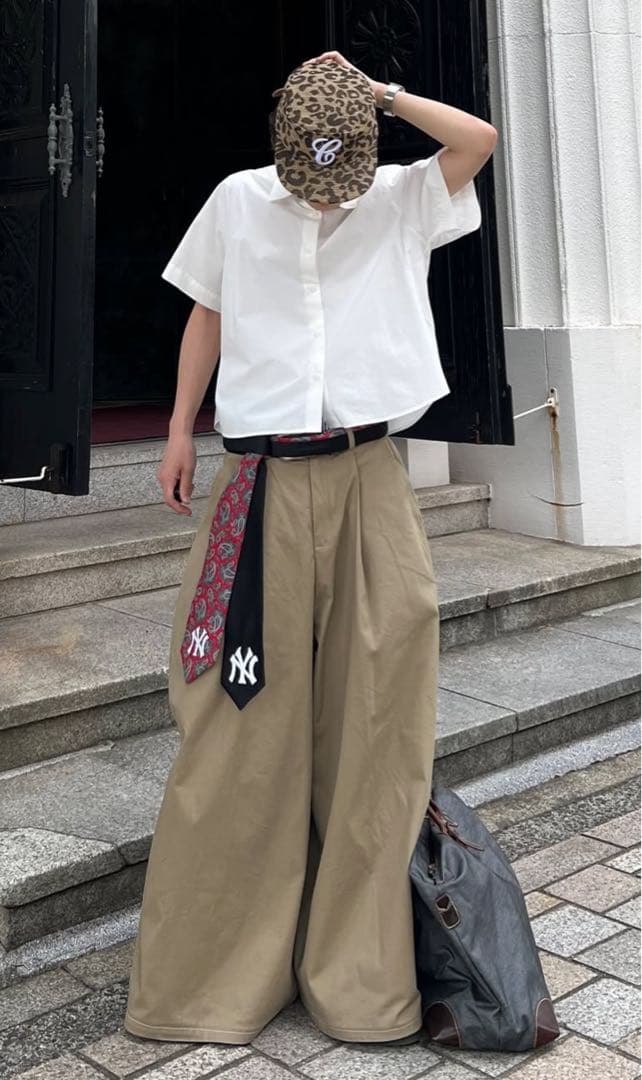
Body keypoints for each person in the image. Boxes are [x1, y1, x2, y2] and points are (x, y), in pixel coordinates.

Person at [124, 50, 496, 1048]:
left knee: (378, 722)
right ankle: (210, 981)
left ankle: (360, 984)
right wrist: (177, 429)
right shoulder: (238, 201)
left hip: (369, 477)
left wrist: (381, 94)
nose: (327, 197)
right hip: (260, 484)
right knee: (236, 721)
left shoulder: (401, 196)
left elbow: (480, 140)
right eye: (310, 174)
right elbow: (207, 312)